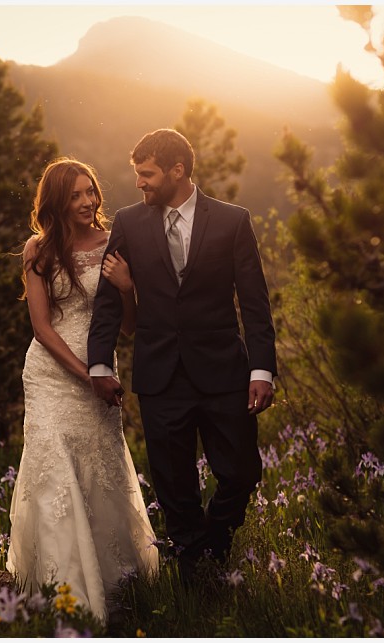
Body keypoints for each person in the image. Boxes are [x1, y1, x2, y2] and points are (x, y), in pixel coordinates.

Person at [87, 129, 277, 584]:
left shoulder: (233, 221)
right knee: (174, 487)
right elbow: (109, 302)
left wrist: (262, 368)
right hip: (160, 376)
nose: (139, 184)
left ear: (177, 171)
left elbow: (254, 301)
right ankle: (196, 579)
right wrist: (98, 363)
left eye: (146, 174)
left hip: (224, 372)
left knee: (242, 472)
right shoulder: (129, 223)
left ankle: (211, 544)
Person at [6, 158, 159, 622]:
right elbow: (41, 327)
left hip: (101, 372)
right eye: (74, 195)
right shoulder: (39, 249)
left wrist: (127, 287)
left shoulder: (115, 243)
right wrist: (86, 373)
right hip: (53, 374)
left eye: (90, 191)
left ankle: (117, 587)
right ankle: (58, 589)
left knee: (100, 469)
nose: (87, 201)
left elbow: (130, 327)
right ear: (55, 201)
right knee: (52, 469)